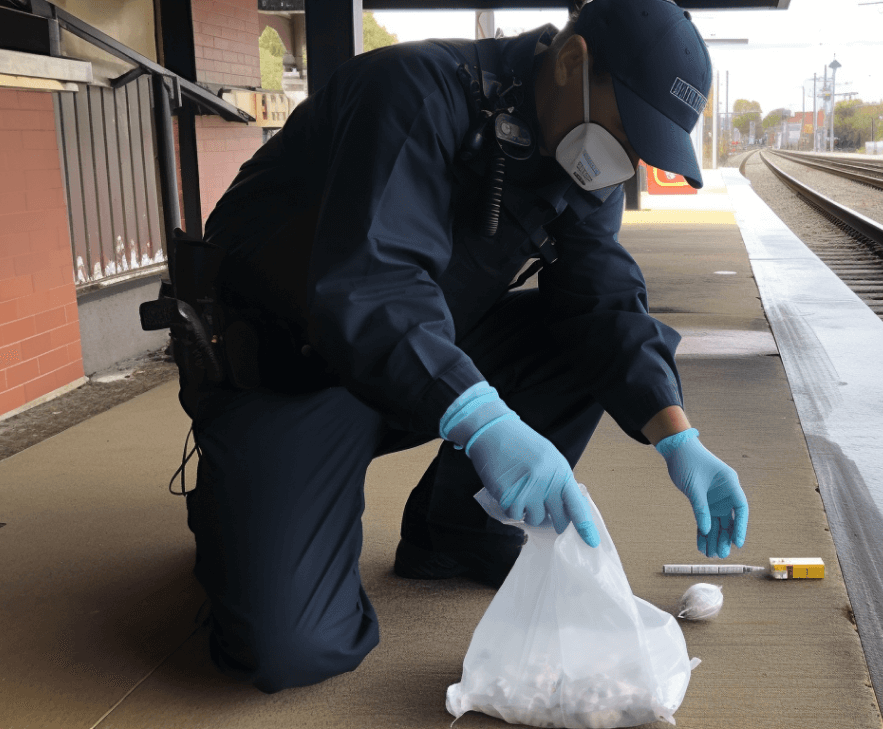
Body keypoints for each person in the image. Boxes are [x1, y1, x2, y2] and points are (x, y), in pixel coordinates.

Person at [173, 0, 750, 695]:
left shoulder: (582, 159)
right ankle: (235, 496)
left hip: (417, 367)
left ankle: (457, 533)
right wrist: (486, 420)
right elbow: (369, 284)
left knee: (577, 338)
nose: (625, 164)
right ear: (572, 62)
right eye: (629, 129)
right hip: (295, 367)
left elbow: (600, 299)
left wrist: (676, 436)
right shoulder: (413, 92)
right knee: (288, 647)